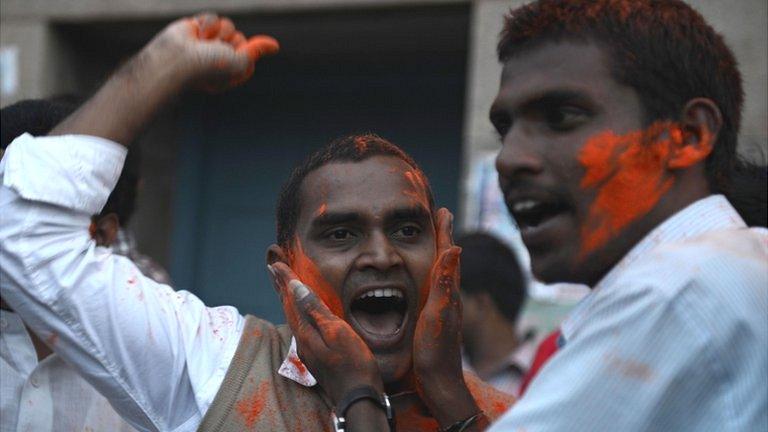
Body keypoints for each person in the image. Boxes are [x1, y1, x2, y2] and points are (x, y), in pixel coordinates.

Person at [0, 14, 512, 432]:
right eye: (340, 233)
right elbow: (24, 236)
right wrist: (159, 66)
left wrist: (449, 399)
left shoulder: (517, 415)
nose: (381, 255)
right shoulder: (217, 364)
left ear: (446, 247)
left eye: (406, 230)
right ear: (282, 268)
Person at [484, 0, 767, 430]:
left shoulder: (677, 289)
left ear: (688, 135)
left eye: (561, 117)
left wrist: (361, 395)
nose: (509, 159)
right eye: (506, 130)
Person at [0, 97, 169, 432]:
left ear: (104, 234)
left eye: (46, 221)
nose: (16, 234)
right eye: (7, 208)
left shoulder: (145, 368)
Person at [455, 232, 532, 396]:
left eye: (449, 297)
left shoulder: (544, 375)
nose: (436, 309)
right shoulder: (441, 371)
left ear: (480, 303)